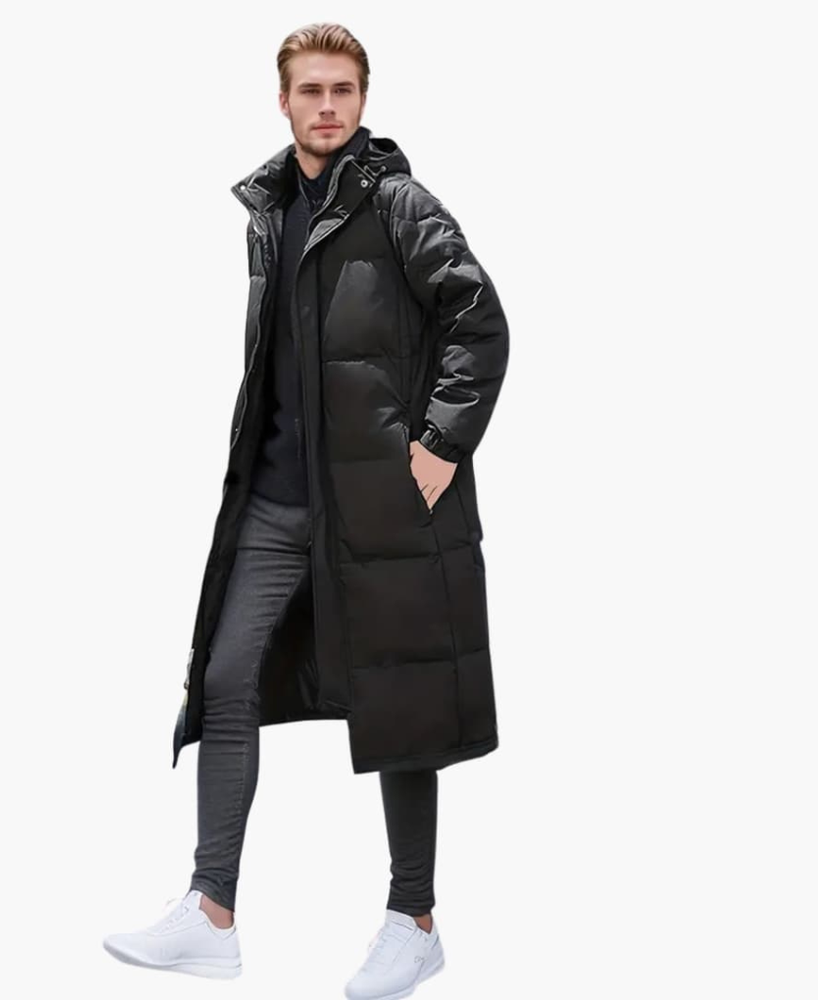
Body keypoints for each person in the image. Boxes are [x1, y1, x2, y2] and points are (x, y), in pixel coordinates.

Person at [103, 21, 509, 1000]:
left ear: (363, 99)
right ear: (282, 100)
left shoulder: (399, 203)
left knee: (401, 705)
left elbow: (479, 321)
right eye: (310, 90)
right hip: (278, 498)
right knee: (225, 677)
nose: (327, 107)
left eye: (343, 90)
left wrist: (438, 446)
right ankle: (211, 911)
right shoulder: (272, 206)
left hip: (381, 503)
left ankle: (413, 921)